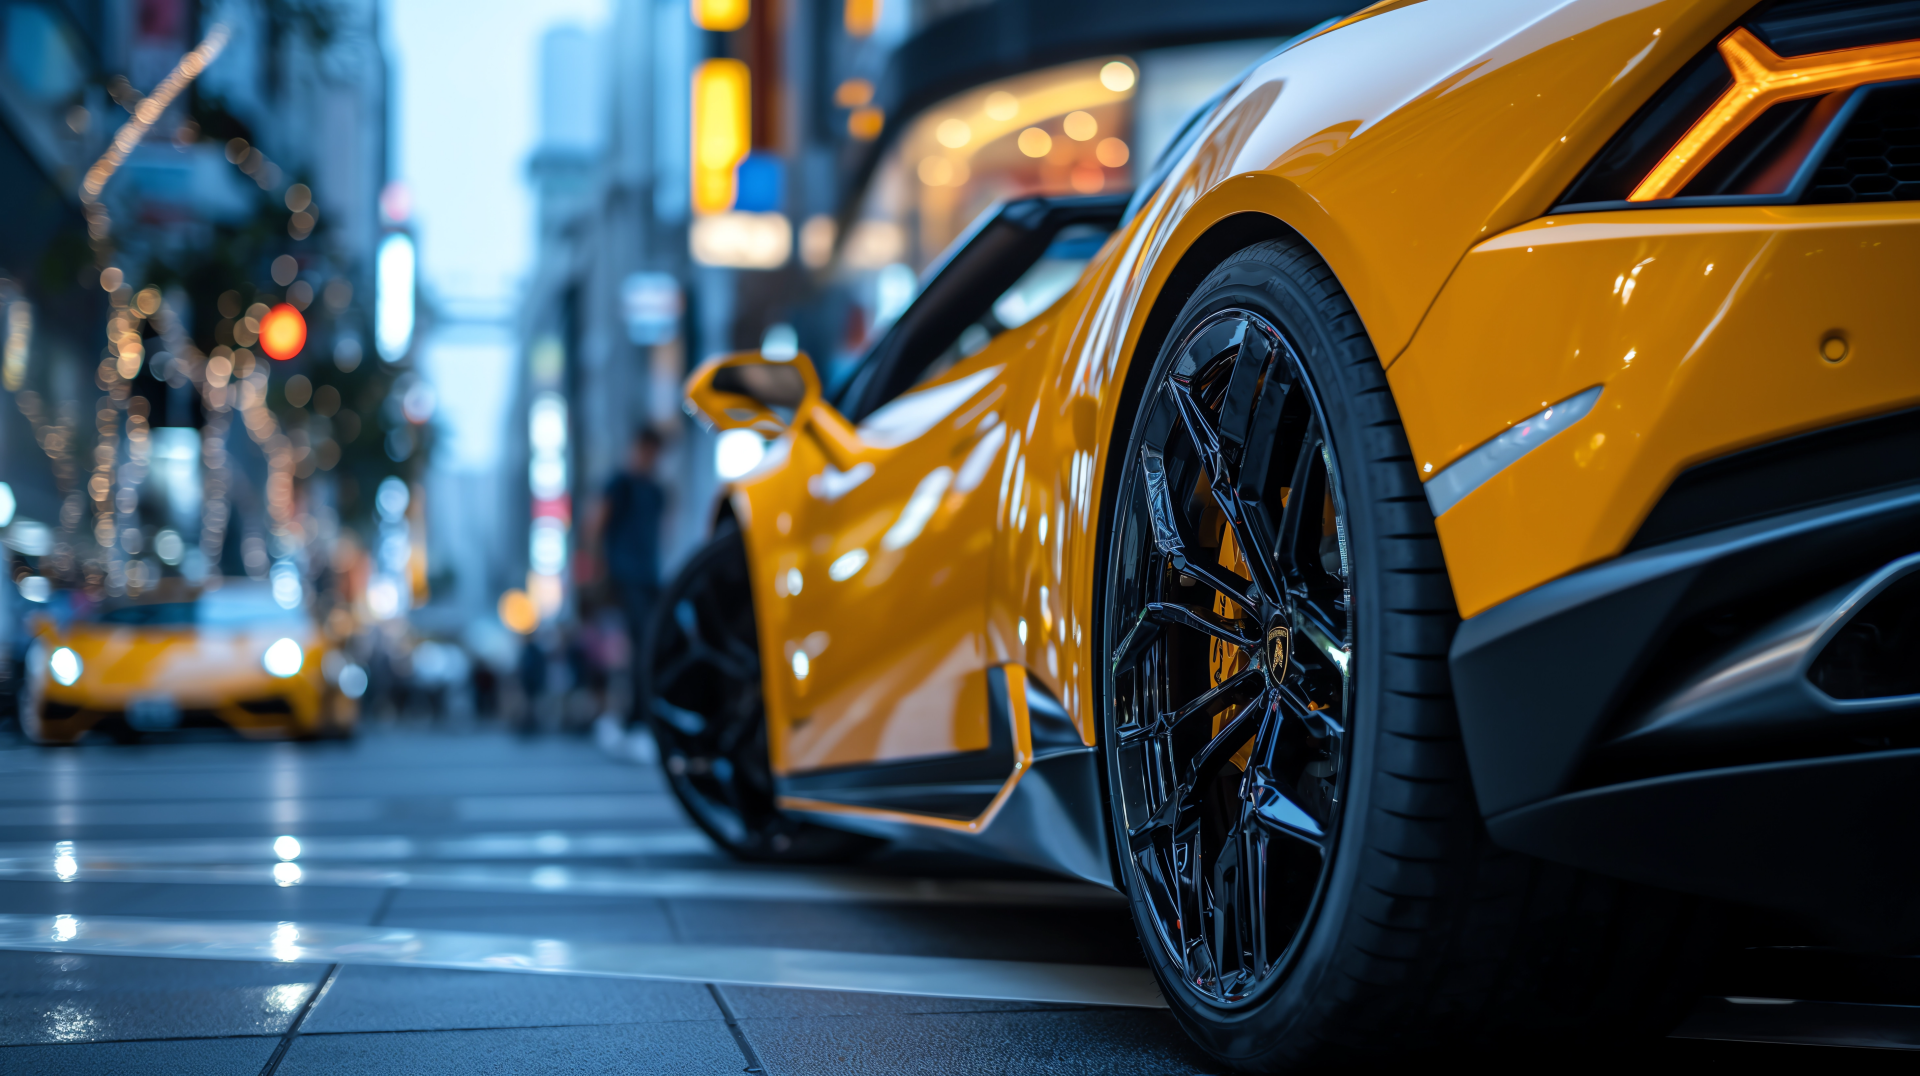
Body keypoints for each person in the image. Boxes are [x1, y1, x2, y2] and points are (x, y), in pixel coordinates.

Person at [594, 429, 665, 659]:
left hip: (650, 574)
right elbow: (596, 523)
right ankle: (640, 692)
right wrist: (598, 566)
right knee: (641, 636)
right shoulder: (620, 484)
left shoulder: (656, 491)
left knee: (653, 635)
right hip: (625, 573)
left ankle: (645, 689)